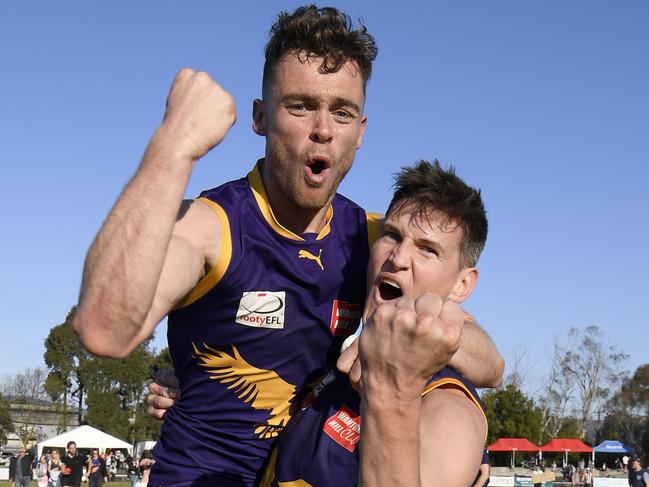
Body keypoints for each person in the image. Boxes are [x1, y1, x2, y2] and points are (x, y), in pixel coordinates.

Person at [73, 5, 503, 487]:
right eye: (300, 105)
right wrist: (173, 145)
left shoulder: (378, 238)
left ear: (360, 133)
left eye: (341, 112)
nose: (323, 129)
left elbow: (490, 362)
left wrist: (400, 339)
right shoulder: (213, 227)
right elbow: (104, 330)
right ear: (260, 117)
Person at [263, 161, 490, 486]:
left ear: (462, 285)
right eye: (392, 235)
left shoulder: (448, 404)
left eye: (427, 250)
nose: (397, 258)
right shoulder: (336, 365)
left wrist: (392, 392)